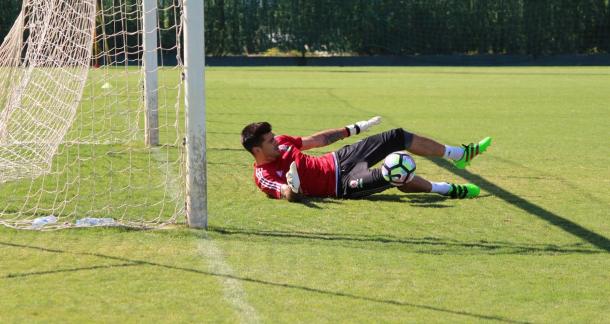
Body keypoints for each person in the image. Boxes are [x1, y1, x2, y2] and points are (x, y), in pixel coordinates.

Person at [240, 117, 491, 202]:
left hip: (340, 158)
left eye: (273, 137)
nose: (276, 142)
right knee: (394, 172)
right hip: (343, 185)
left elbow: (317, 140)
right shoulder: (263, 176)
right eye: (269, 141)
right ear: (257, 150)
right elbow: (284, 192)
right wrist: (293, 189)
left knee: (397, 136)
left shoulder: (283, 142)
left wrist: (354, 128)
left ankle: (459, 155)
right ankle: (447, 190)